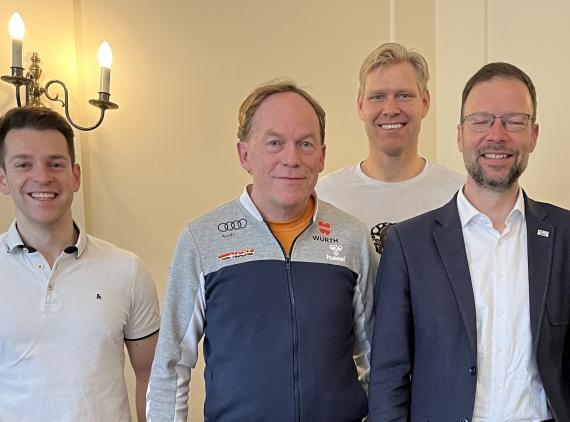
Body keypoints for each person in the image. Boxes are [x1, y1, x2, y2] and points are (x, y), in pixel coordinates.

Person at [368, 62, 570, 422]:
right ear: (460, 135)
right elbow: (389, 374)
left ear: (534, 135)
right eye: (482, 121)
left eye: (514, 121)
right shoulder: (408, 244)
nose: (497, 135)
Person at [147, 80, 376, 421]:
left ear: (322, 156)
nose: (291, 158)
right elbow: (171, 364)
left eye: (305, 144)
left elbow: (378, 359)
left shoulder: (352, 238)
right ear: (244, 155)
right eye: (274, 143)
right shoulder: (202, 240)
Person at [0, 106, 160, 422]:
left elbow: (152, 376)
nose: (42, 176)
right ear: (3, 179)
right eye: (24, 164)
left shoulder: (127, 270)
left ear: (75, 176)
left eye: (55, 163)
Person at [316, 42, 463, 253]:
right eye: (378, 97)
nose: (391, 109)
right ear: (360, 106)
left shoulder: (458, 196)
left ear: (425, 102)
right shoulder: (324, 197)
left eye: (404, 95)